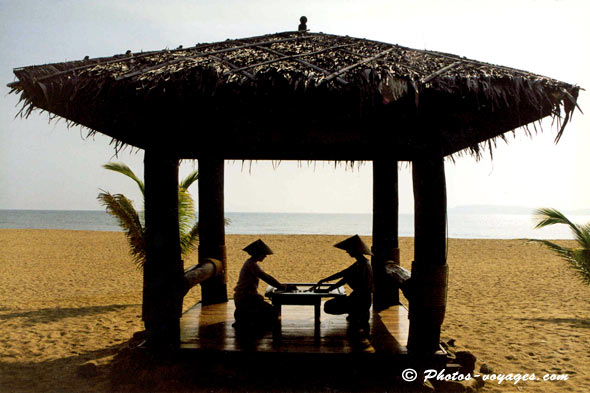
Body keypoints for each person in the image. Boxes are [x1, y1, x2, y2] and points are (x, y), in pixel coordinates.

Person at [311, 235, 374, 333]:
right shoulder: (361, 263)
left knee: (328, 306)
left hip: (361, 300)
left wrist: (329, 288)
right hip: (362, 298)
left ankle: (356, 312)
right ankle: (356, 312)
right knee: (331, 304)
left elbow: (345, 278)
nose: (347, 252)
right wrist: (324, 280)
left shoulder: (362, 265)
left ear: (355, 250)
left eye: (349, 250)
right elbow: (343, 273)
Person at [233, 239, 288, 331]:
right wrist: (281, 287)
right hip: (245, 298)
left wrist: (280, 285)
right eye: (264, 254)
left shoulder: (250, 263)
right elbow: (265, 277)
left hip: (244, 297)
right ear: (258, 254)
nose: (265, 256)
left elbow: (266, 276)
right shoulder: (251, 265)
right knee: (274, 314)